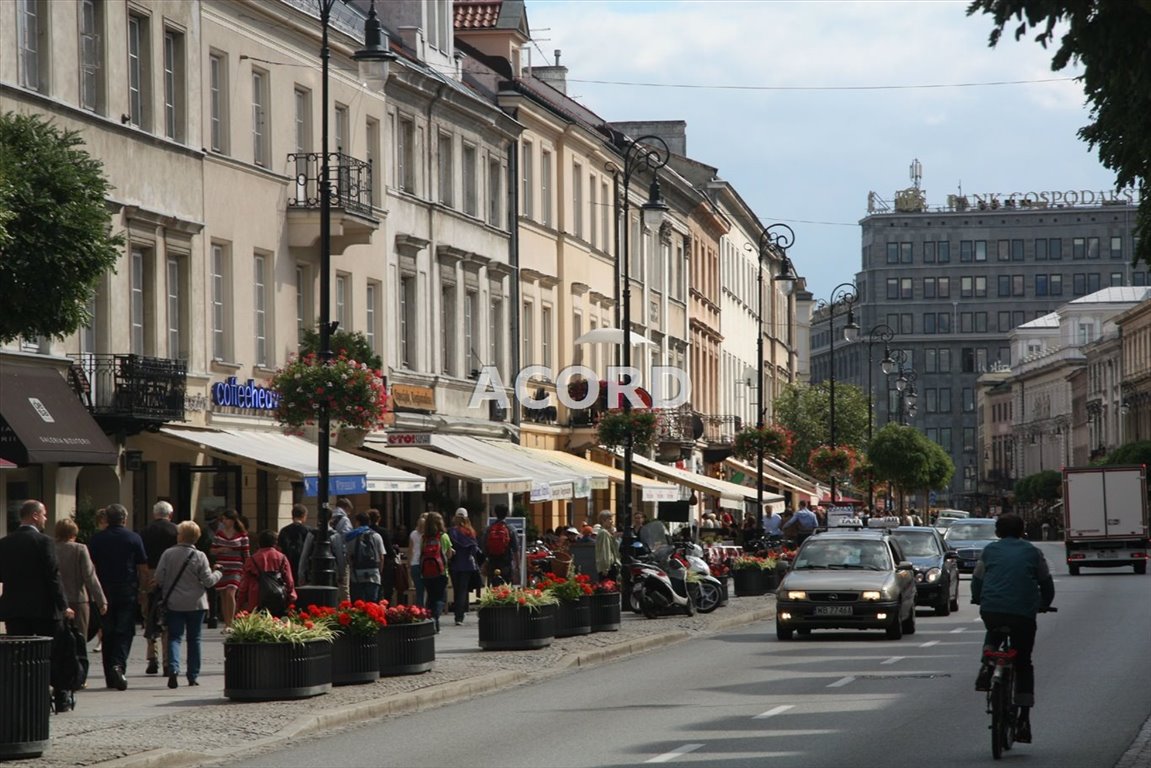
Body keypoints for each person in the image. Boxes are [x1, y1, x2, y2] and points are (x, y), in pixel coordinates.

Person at [971, 513, 1055, 744]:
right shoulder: (1032, 552)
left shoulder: (989, 551)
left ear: (998, 532)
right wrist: (1045, 603)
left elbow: (977, 580)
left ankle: (987, 662)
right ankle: (1024, 720)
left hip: (992, 610)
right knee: (1023, 663)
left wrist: (978, 599)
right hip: (1023, 615)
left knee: (995, 627)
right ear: (1022, 531)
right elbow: (1045, 581)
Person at [0, 501, 76, 710]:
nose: (45, 519)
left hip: (15, 610)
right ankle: (59, 695)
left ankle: (24, 696)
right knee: (51, 653)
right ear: (34, 515)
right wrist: (63, 606)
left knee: (20, 655)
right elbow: (52, 576)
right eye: (43, 515)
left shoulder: (5, 543)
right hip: (44, 610)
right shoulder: (43, 542)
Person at [154, 521, 222, 689]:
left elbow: (159, 578)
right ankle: (192, 675)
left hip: (174, 602)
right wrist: (219, 572)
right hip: (196, 604)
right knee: (195, 639)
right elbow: (208, 581)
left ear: (180, 535)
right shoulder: (200, 556)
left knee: (175, 638)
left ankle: (174, 668)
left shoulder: (168, 554)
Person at [87, 503, 146, 691]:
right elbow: (142, 568)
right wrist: (144, 591)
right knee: (125, 630)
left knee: (108, 631)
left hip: (103, 590)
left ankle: (109, 675)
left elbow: (91, 569)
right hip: (126, 588)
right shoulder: (133, 538)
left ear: (106, 519)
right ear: (124, 519)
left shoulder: (96, 540)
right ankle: (118, 665)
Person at [54, 518, 107, 648]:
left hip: (56, 602)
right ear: (73, 533)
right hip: (78, 600)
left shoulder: (50, 548)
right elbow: (90, 577)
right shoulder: (80, 549)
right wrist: (101, 601)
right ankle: (78, 667)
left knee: (58, 641)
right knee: (79, 640)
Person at [141, 500, 178, 676]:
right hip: (170, 577)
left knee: (150, 617)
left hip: (149, 575)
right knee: (167, 618)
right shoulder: (176, 531)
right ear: (170, 514)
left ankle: (152, 657)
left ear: (155, 514)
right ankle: (167, 662)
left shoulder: (145, 531)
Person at [237, 530, 296, 615]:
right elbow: (289, 580)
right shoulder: (282, 558)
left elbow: (244, 583)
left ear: (259, 543)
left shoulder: (252, 559)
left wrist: (240, 602)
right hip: (278, 597)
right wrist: (291, 597)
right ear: (275, 543)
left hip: (256, 598)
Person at [210, 509, 249, 628]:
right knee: (223, 595)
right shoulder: (219, 534)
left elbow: (246, 553)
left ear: (232, 520)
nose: (224, 521)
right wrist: (220, 550)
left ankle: (231, 623)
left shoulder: (242, 535)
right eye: (223, 519)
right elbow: (211, 550)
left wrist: (247, 568)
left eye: (226, 519)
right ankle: (226, 623)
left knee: (230, 592)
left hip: (236, 568)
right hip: (222, 567)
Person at [420, 512, 453, 632]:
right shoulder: (443, 536)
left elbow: (421, 553)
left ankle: (429, 619)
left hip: (426, 572)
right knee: (439, 597)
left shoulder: (424, 538)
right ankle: (436, 618)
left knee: (430, 597)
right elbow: (449, 554)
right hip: (441, 572)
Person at [447, 509, 480, 626]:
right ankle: (460, 615)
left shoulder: (451, 532)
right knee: (463, 589)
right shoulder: (470, 531)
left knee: (457, 590)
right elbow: (475, 549)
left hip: (455, 565)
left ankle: (459, 614)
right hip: (467, 564)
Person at [345, 512, 387, 603]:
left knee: (358, 604)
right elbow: (381, 556)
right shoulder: (376, 536)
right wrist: (379, 571)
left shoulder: (352, 537)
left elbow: (348, 556)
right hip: (373, 573)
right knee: (372, 603)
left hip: (357, 574)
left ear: (357, 522)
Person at [277, 504, 313, 585]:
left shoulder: (284, 531)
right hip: (304, 566)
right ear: (304, 515)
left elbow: (279, 549)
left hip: (288, 565)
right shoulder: (308, 531)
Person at [482, 505, 517, 586]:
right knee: (506, 586)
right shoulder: (510, 528)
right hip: (506, 562)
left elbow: (484, 546)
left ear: (495, 514)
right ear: (507, 514)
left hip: (492, 561)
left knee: (493, 585)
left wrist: (485, 561)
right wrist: (517, 566)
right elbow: (515, 549)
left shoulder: (489, 529)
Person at [408, 513, 428, 606]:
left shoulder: (413, 534)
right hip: (426, 563)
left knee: (419, 590)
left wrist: (409, 564)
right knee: (428, 589)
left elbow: (410, 550)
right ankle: (427, 611)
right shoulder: (428, 535)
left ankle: (420, 610)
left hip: (414, 563)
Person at [594, 510, 621, 582]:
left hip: (606, 567)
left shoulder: (603, 532)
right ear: (603, 520)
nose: (612, 522)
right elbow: (605, 551)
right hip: (608, 567)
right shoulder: (604, 533)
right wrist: (605, 567)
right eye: (610, 519)